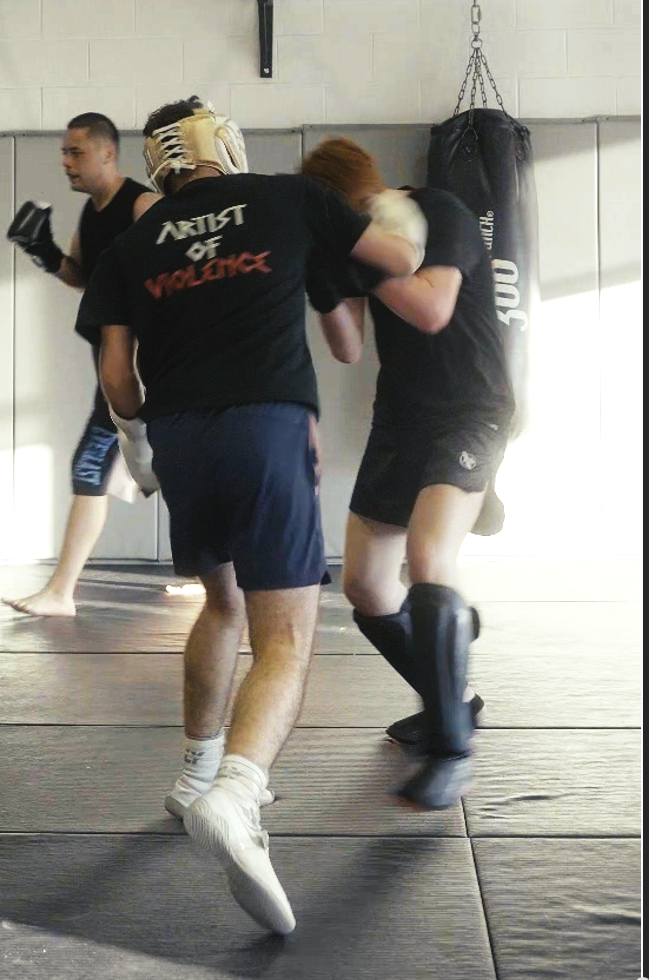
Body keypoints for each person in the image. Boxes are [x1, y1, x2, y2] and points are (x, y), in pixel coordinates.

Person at [73, 97, 427, 933]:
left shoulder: (131, 243)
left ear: (158, 162)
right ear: (223, 144)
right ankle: (236, 794)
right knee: (286, 636)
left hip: (181, 434)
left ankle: (195, 772)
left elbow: (117, 376)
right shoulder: (281, 198)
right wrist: (388, 206)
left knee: (222, 602)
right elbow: (398, 258)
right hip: (265, 427)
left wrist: (137, 447)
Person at [301, 137, 515, 810]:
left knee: (426, 557)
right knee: (365, 586)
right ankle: (448, 695)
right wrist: (323, 278)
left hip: (471, 410)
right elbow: (346, 346)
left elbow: (431, 307)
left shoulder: (439, 210)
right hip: (400, 419)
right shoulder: (352, 247)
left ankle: (452, 749)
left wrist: (362, 257)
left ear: (359, 197)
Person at [3, 113, 159, 617]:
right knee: (133, 471)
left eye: (76, 152)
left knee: (97, 467)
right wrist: (44, 252)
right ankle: (61, 592)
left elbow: (171, 277)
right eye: (64, 153)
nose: (66, 162)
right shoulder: (93, 212)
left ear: (108, 153)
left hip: (141, 369)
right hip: (111, 368)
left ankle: (60, 593)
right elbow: (83, 276)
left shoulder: (142, 204)